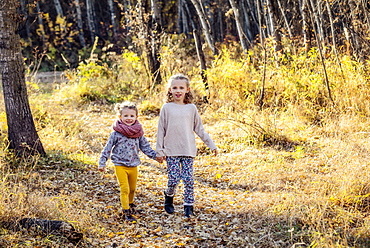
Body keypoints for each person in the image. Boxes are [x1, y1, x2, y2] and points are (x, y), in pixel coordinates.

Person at [156, 73, 218, 218]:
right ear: (170, 90)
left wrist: (211, 145)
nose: (178, 91)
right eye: (175, 87)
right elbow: (161, 130)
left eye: (181, 88)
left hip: (188, 150)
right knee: (173, 179)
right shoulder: (166, 108)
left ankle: (188, 206)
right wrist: (159, 150)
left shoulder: (191, 108)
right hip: (171, 150)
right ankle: (169, 196)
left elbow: (199, 129)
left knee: (189, 179)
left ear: (187, 90)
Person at [98, 102, 159, 222]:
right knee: (124, 189)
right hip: (120, 165)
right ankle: (126, 211)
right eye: (126, 116)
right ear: (120, 117)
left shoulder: (138, 133)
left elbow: (145, 147)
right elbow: (107, 148)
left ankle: (130, 205)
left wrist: (156, 156)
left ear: (136, 117)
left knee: (132, 189)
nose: (129, 118)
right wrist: (102, 162)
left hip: (133, 164)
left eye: (132, 116)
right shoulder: (116, 133)